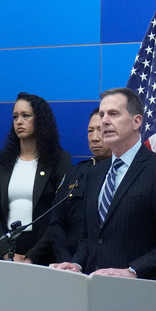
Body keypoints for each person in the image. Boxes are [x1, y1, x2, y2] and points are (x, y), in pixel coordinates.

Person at [51, 88, 156, 280]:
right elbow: (89, 237)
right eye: (102, 114)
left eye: (113, 114)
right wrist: (77, 264)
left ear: (136, 121)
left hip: (139, 294)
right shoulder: (94, 173)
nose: (104, 121)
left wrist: (133, 270)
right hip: (95, 289)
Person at [0, 93, 71, 264]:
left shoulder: (59, 160)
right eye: (15, 117)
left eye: (26, 116)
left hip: (44, 254)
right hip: (7, 252)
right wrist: (5, 252)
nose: (19, 121)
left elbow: (61, 213)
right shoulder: (3, 161)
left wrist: (33, 256)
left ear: (40, 120)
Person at [50, 108, 111, 263]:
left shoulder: (122, 174)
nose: (95, 138)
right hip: (70, 263)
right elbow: (56, 220)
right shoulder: (76, 173)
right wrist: (67, 261)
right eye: (90, 131)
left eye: (101, 130)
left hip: (109, 265)